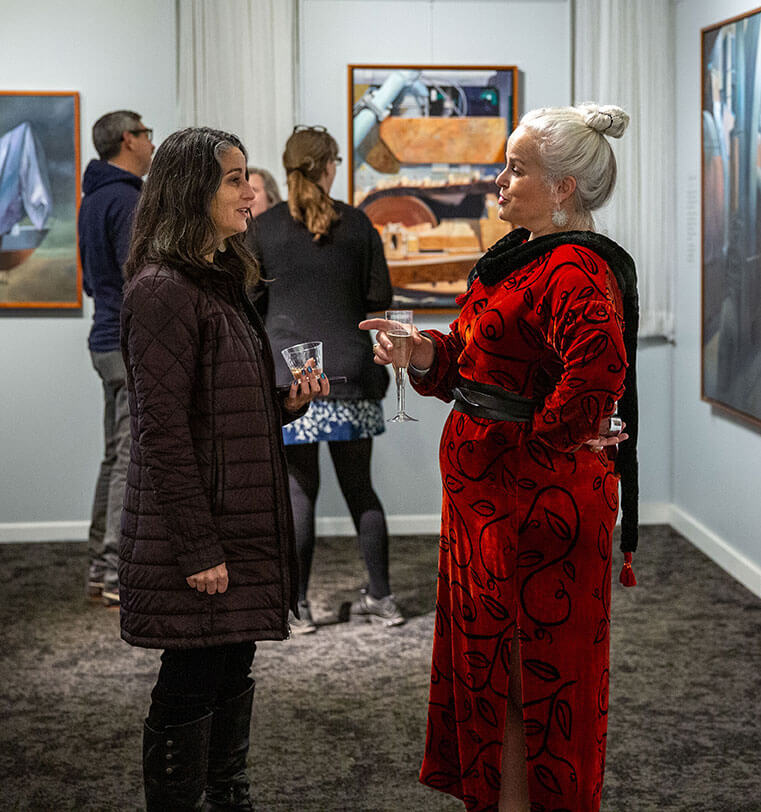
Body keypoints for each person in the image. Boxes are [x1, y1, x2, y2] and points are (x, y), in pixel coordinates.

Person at [361, 103, 639, 812]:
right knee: (498, 667)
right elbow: (469, 356)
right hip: (492, 502)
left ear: (562, 188)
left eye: (516, 169)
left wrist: (531, 446)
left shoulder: (573, 267)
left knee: (526, 674)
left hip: (528, 506)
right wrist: (421, 350)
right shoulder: (521, 256)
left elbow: (597, 375)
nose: (500, 180)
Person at [120, 126, 329, 810]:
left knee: (231, 666)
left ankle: (226, 797)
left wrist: (283, 404)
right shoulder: (163, 289)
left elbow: (219, 408)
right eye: (234, 179)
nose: (249, 193)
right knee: (191, 679)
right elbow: (162, 433)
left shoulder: (214, 280)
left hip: (235, 520)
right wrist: (197, 547)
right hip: (203, 529)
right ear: (192, 191)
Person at [246, 125, 402, 633]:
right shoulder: (358, 225)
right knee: (361, 490)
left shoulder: (262, 229)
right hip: (351, 373)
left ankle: (298, 608)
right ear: (330, 166)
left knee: (299, 492)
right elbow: (379, 300)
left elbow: (249, 304)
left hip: (293, 378)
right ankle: (382, 598)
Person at [78, 110, 155, 606]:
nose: (152, 143)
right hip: (127, 342)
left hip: (104, 339)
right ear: (128, 139)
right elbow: (141, 279)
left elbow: (92, 281)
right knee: (130, 456)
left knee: (115, 455)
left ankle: (98, 567)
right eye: (147, 134)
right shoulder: (127, 199)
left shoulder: (93, 198)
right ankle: (112, 572)